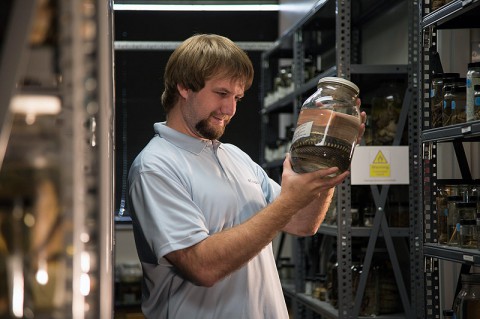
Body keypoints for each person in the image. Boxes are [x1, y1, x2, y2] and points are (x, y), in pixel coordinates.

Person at [127, 33, 366, 319]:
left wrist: (329, 161)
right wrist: (287, 202)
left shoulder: (235, 157)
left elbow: (302, 223)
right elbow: (201, 266)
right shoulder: (155, 166)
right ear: (184, 87)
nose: (230, 110)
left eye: (237, 97)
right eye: (221, 93)